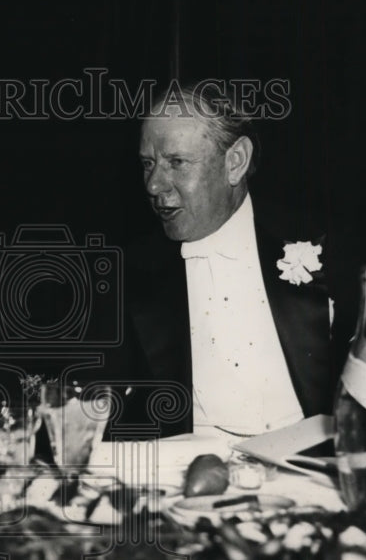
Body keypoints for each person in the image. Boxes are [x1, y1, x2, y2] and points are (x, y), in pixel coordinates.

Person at [125, 84, 350, 439]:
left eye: (177, 163)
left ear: (235, 162)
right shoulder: (127, 273)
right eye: (148, 164)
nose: (154, 185)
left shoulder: (327, 247)